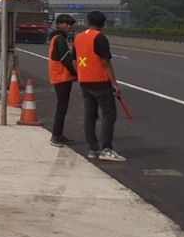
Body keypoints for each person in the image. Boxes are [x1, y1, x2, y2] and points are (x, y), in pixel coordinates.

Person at [73, 10, 125, 161]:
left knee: (90, 116)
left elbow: (74, 61)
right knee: (109, 115)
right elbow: (105, 62)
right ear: (102, 24)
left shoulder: (78, 38)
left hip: (84, 82)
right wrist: (114, 84)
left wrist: (82, 74)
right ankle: (106, 149)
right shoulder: (100, 38)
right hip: (100, 82)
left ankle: (93, 149)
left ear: (88, 21)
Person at [47, 14, 77, 147]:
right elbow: (65, 59)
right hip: (61, 77)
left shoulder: (57, 38)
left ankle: (59, 134)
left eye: (70, 24)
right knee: (62, 107)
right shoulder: (59, 39)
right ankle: (56, 135)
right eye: (65, 24)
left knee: (62, 107)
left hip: (60, 76)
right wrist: (75, 73)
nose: (69, 26)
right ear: (58, 24)